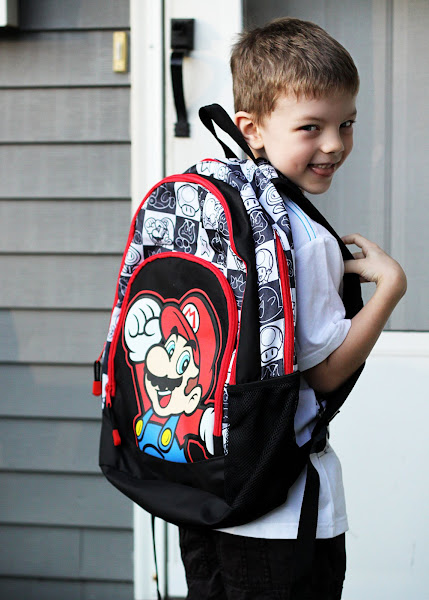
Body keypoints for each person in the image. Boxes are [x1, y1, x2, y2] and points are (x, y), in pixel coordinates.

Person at [178, 16, 407, 600]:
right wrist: (389, 289)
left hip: (202, 488)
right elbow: (325, 373)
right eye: (311, 127)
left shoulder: (215, 201)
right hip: (281, 512)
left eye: (346, 123)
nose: (334, 144)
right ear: (251, 129)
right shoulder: (301, 236)